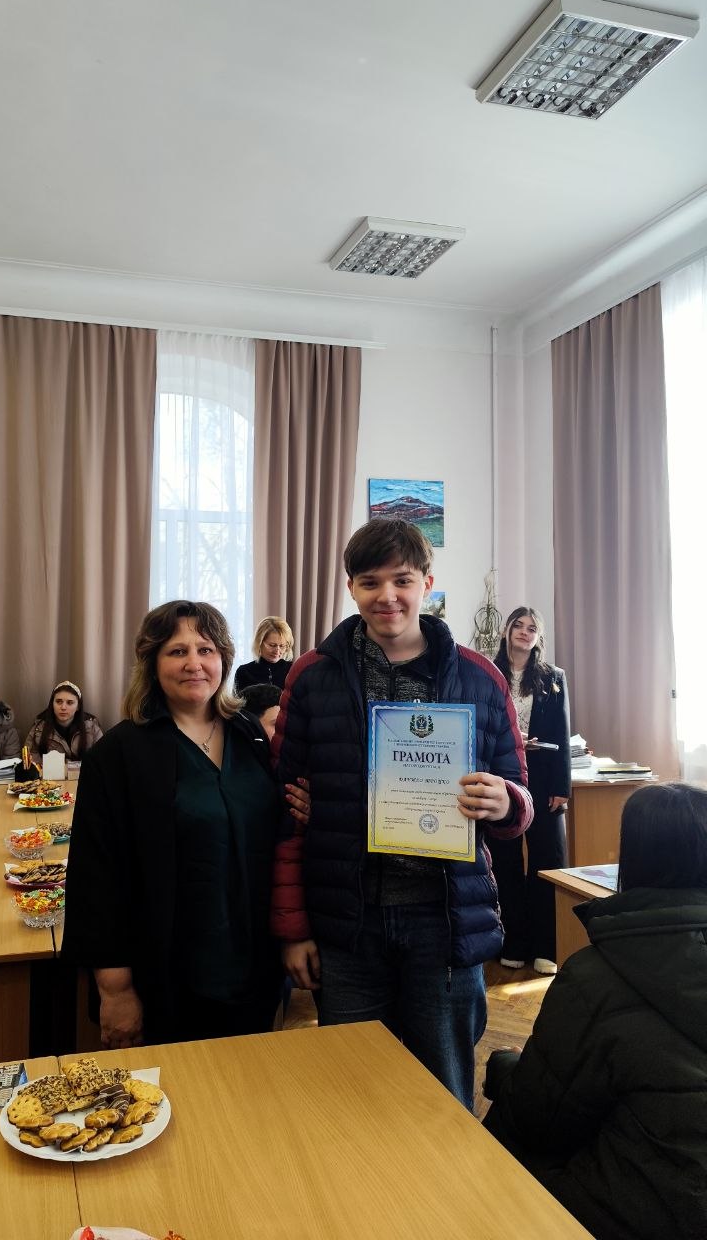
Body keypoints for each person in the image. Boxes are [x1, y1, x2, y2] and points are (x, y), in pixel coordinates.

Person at [271, 518, 533, 1110]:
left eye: (402, 580)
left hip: (443, 923)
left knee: (444, 1096)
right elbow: (284, 813)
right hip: (347, 922)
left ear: (427, 585)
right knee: (350, 1094)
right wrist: (295, 930)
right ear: (350, 588)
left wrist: (505, 802)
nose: (386, 595)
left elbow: (519, 796)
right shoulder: (312, 676)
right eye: (370, 582)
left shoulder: (480, 676)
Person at [63, 600, 308, 1048]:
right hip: (165, 976)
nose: (194, 663)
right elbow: (95, 878)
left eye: (206, 650)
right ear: (152, 663)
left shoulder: (251, 736)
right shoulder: (118, 755)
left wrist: (304, 808)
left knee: (246, 1082)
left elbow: (279, 834)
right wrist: (115, 989)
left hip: (254, 967)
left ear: (224, 660)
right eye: (177, 651)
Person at [483, 782, 707, 1240]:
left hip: (646, 1213)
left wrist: (503, 1068)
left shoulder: (598, 976)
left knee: (506, 1129)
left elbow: (538, 1119)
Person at [488, 607, 571, 975]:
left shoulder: (553, 677)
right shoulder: (488, 672)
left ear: (539, 637)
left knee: (547, 861)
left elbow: (563, 734)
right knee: (504, 862)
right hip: (502, 777)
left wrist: (561, 787)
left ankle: (546, 946)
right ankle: (513, 941)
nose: (524, 632)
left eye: (532, 628)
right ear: (506, 631)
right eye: (518, 625)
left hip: (543, 780)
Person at [24, 680, 104, 766]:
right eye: (59, 701)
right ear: (52, 704)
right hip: (49, 774)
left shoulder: (92, 727)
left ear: (78, 706)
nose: (63, 707)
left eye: (70, 703)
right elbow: (30, 758)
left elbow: (101, 757)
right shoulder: (39, 727)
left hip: (83, 773)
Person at [233, 617, 295, 692]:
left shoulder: (293, 670)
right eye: (272, 645)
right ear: (259, 643)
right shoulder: (244, 672)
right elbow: (236, 699)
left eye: (282, 646)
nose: (277, 651)